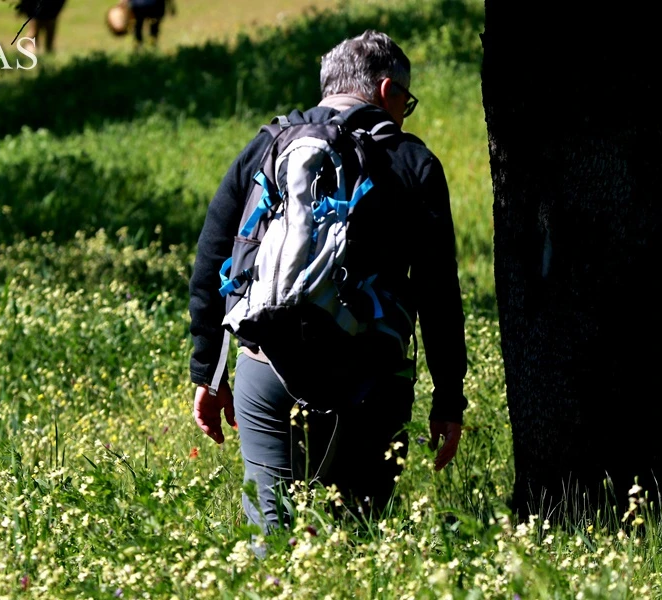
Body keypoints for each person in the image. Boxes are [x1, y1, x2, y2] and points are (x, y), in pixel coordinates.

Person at [188, 30, 468, 535]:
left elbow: (212, 259)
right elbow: (438, 290)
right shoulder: (412, 162)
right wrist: (448, 399)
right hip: (370, 376)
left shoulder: (269, 145)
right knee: (354, 539)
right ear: (388, 93)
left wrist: (209, 373)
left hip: (265, 365)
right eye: (407, 102)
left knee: (272, 536)